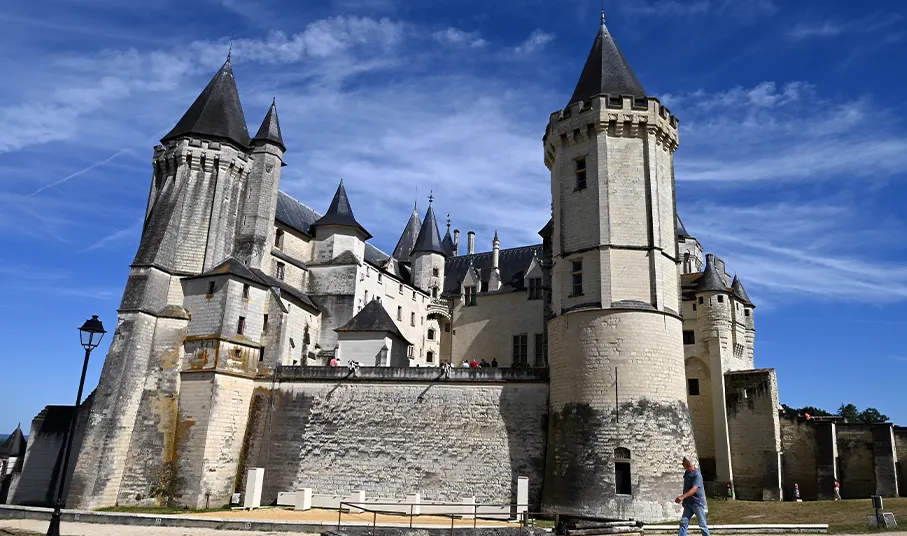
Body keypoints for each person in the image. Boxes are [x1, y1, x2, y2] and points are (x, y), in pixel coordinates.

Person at [676, 456, 710, 536]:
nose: (682, 464)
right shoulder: (687, 473)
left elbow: (694, 489)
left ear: (687, 464)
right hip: (688, 503)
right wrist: (685, 500)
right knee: (683, 523)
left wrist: (682, 497)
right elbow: (686, 487)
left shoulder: (697, 475)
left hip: (697, 503)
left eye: (683, 463)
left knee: (702, 524)